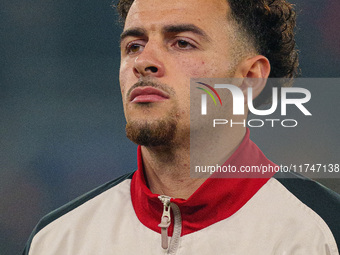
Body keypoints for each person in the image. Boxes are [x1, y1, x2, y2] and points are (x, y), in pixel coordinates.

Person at [23, 0, 340, 254]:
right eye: (134, 45)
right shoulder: (55, 241)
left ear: (249, 78)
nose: (143, 62)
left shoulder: (322, 233)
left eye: (182, 43)